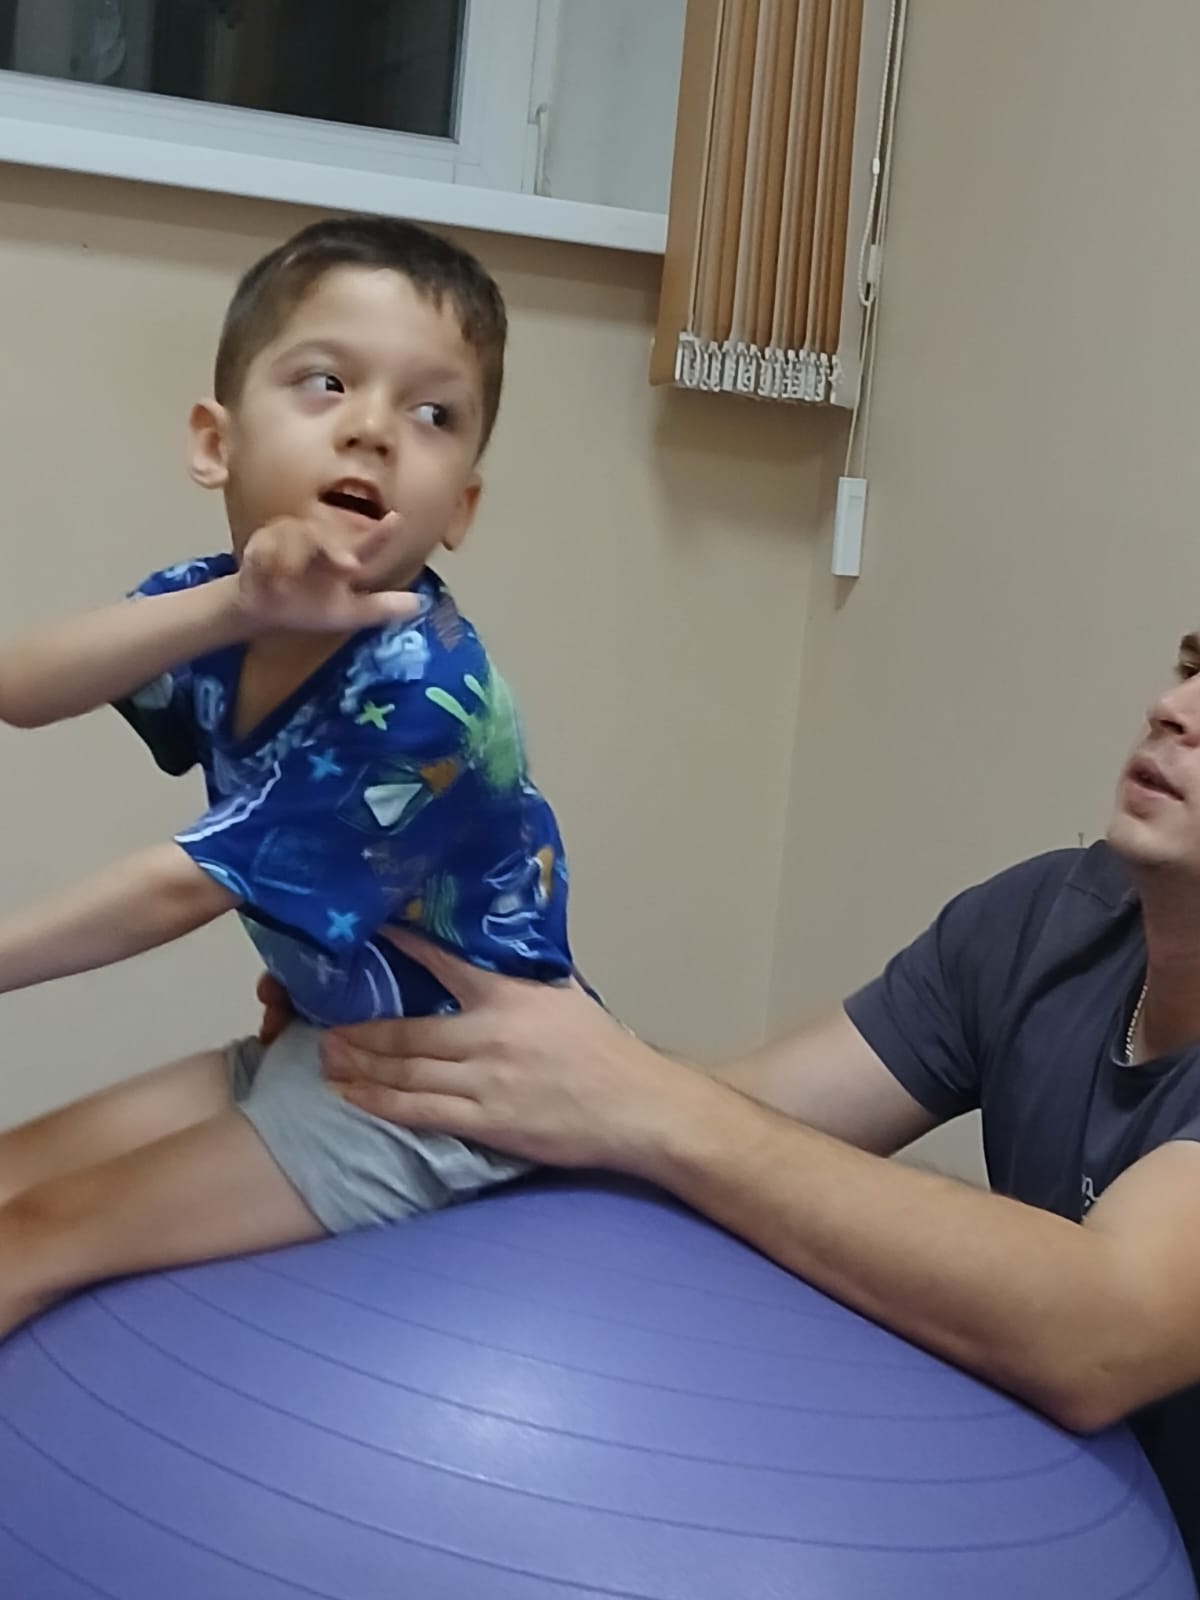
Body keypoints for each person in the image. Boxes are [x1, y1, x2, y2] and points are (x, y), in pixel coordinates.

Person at [316, 632, 1200, 1578]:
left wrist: (637, 1100)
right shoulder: (1048, 920)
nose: (1171, 709)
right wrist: (459, 1035)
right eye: (1190, 670)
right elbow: (742, 1119)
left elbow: (1098, 1336)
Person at [0, 215, 576, 1338]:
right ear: (215, 442)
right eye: (326, 382)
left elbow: (176, 889)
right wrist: (229, 604)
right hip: (323, 1042)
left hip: (451, 1101)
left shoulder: (429, 692)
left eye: (433, 413)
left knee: (29, 1239)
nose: (372, 429)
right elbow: (21, 689)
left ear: (460, 506)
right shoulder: (224, 605)